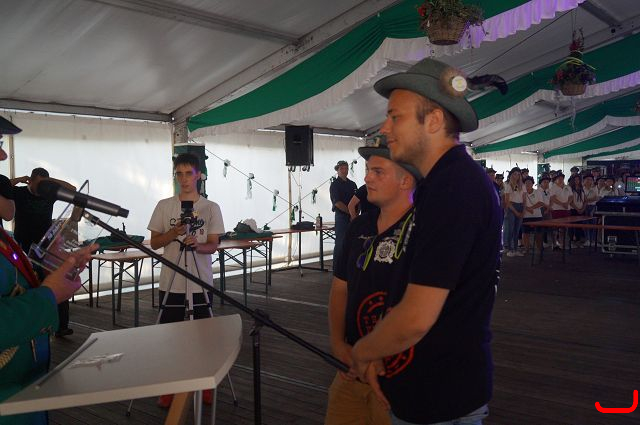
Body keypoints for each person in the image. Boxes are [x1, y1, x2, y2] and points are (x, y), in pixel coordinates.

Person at [350, 58, 502, 425]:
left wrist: (363, 351)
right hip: (430, 389)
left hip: (440, 398)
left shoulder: (453, 187)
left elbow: (417, 317)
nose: (385, 128)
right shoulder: (443, 183)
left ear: (433, 121)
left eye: (395, 117)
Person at [0, 115, 96, 425]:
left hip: (24, 397)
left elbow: (12, 288)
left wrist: (50, 270)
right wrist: (48, 295)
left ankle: (60, 325)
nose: (2, 154)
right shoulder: (17, 194)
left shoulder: (8, 235)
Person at [326, 136, 420, 425]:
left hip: (401, 377)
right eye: (367, 170)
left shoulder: (426, 231)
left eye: (378, 171)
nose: (367, 178)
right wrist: (338, 344)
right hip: (351, 369)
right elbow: (340, 289)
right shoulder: (360, 227)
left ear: (406, 180)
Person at [147, 152, 224, 407]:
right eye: (179, 174)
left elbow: (213, 245)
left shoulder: (211, 207)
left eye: (188, 173)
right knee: (171, 337)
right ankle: (170, 387)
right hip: (172, 282)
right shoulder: (164, 205)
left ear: (199, 175)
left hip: (200, 281)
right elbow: (154, 243)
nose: (184, 179)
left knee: (203, 337)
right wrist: (174, 232)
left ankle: (205, 385)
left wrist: (197, 245)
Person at [11, 168, 77, 337]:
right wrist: (20, 179)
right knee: (33, 282)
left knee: (57, 276)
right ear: (31, 181)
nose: (41, 188)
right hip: (25, 245)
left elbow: (73, 189)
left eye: (44, 184)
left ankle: (62, 326)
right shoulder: (20, 193)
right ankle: (37, 326)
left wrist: (49, 182)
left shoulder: (49, 193)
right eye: (38, 184)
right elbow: (3, 187)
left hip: (47, 244)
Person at [330, 160, 357, 264]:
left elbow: (358, 199)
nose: (344, 170)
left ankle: (348, 266)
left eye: (346, 168)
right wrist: (351, 212)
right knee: (340, 242)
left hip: (353, 216)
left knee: (352, 241)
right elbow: (337, 203)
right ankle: (337, 267)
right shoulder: (335, 185)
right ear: (337, 170)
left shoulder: (352, 184)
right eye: (341, 168)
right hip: (342, 217)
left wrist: (355, 213)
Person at [503, 167, 524, 257]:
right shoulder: (508, 186)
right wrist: (515, 211)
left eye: (518, 174)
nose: (517, 176)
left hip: (520, 206)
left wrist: (523, 210)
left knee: (517, 229)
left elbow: (524, 199)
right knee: (510, 229)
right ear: (511, 175)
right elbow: (507, 201)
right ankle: (510, 249)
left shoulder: (522, 186)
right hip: (511, 207)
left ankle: (515, 248)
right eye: (515, 174)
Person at [522, 176, 545, 254]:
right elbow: (520, 203)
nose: (528, 184)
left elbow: (541, 203)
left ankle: (539, 249)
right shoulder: (522, 193)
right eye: (526, 183)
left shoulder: (537, 192)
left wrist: (531, 208)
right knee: (525, 233)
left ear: (532, 184)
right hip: (525, 216)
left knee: (538, 234)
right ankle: (526, 249)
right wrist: (528, 209)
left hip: (537, 216)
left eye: (530, 183)